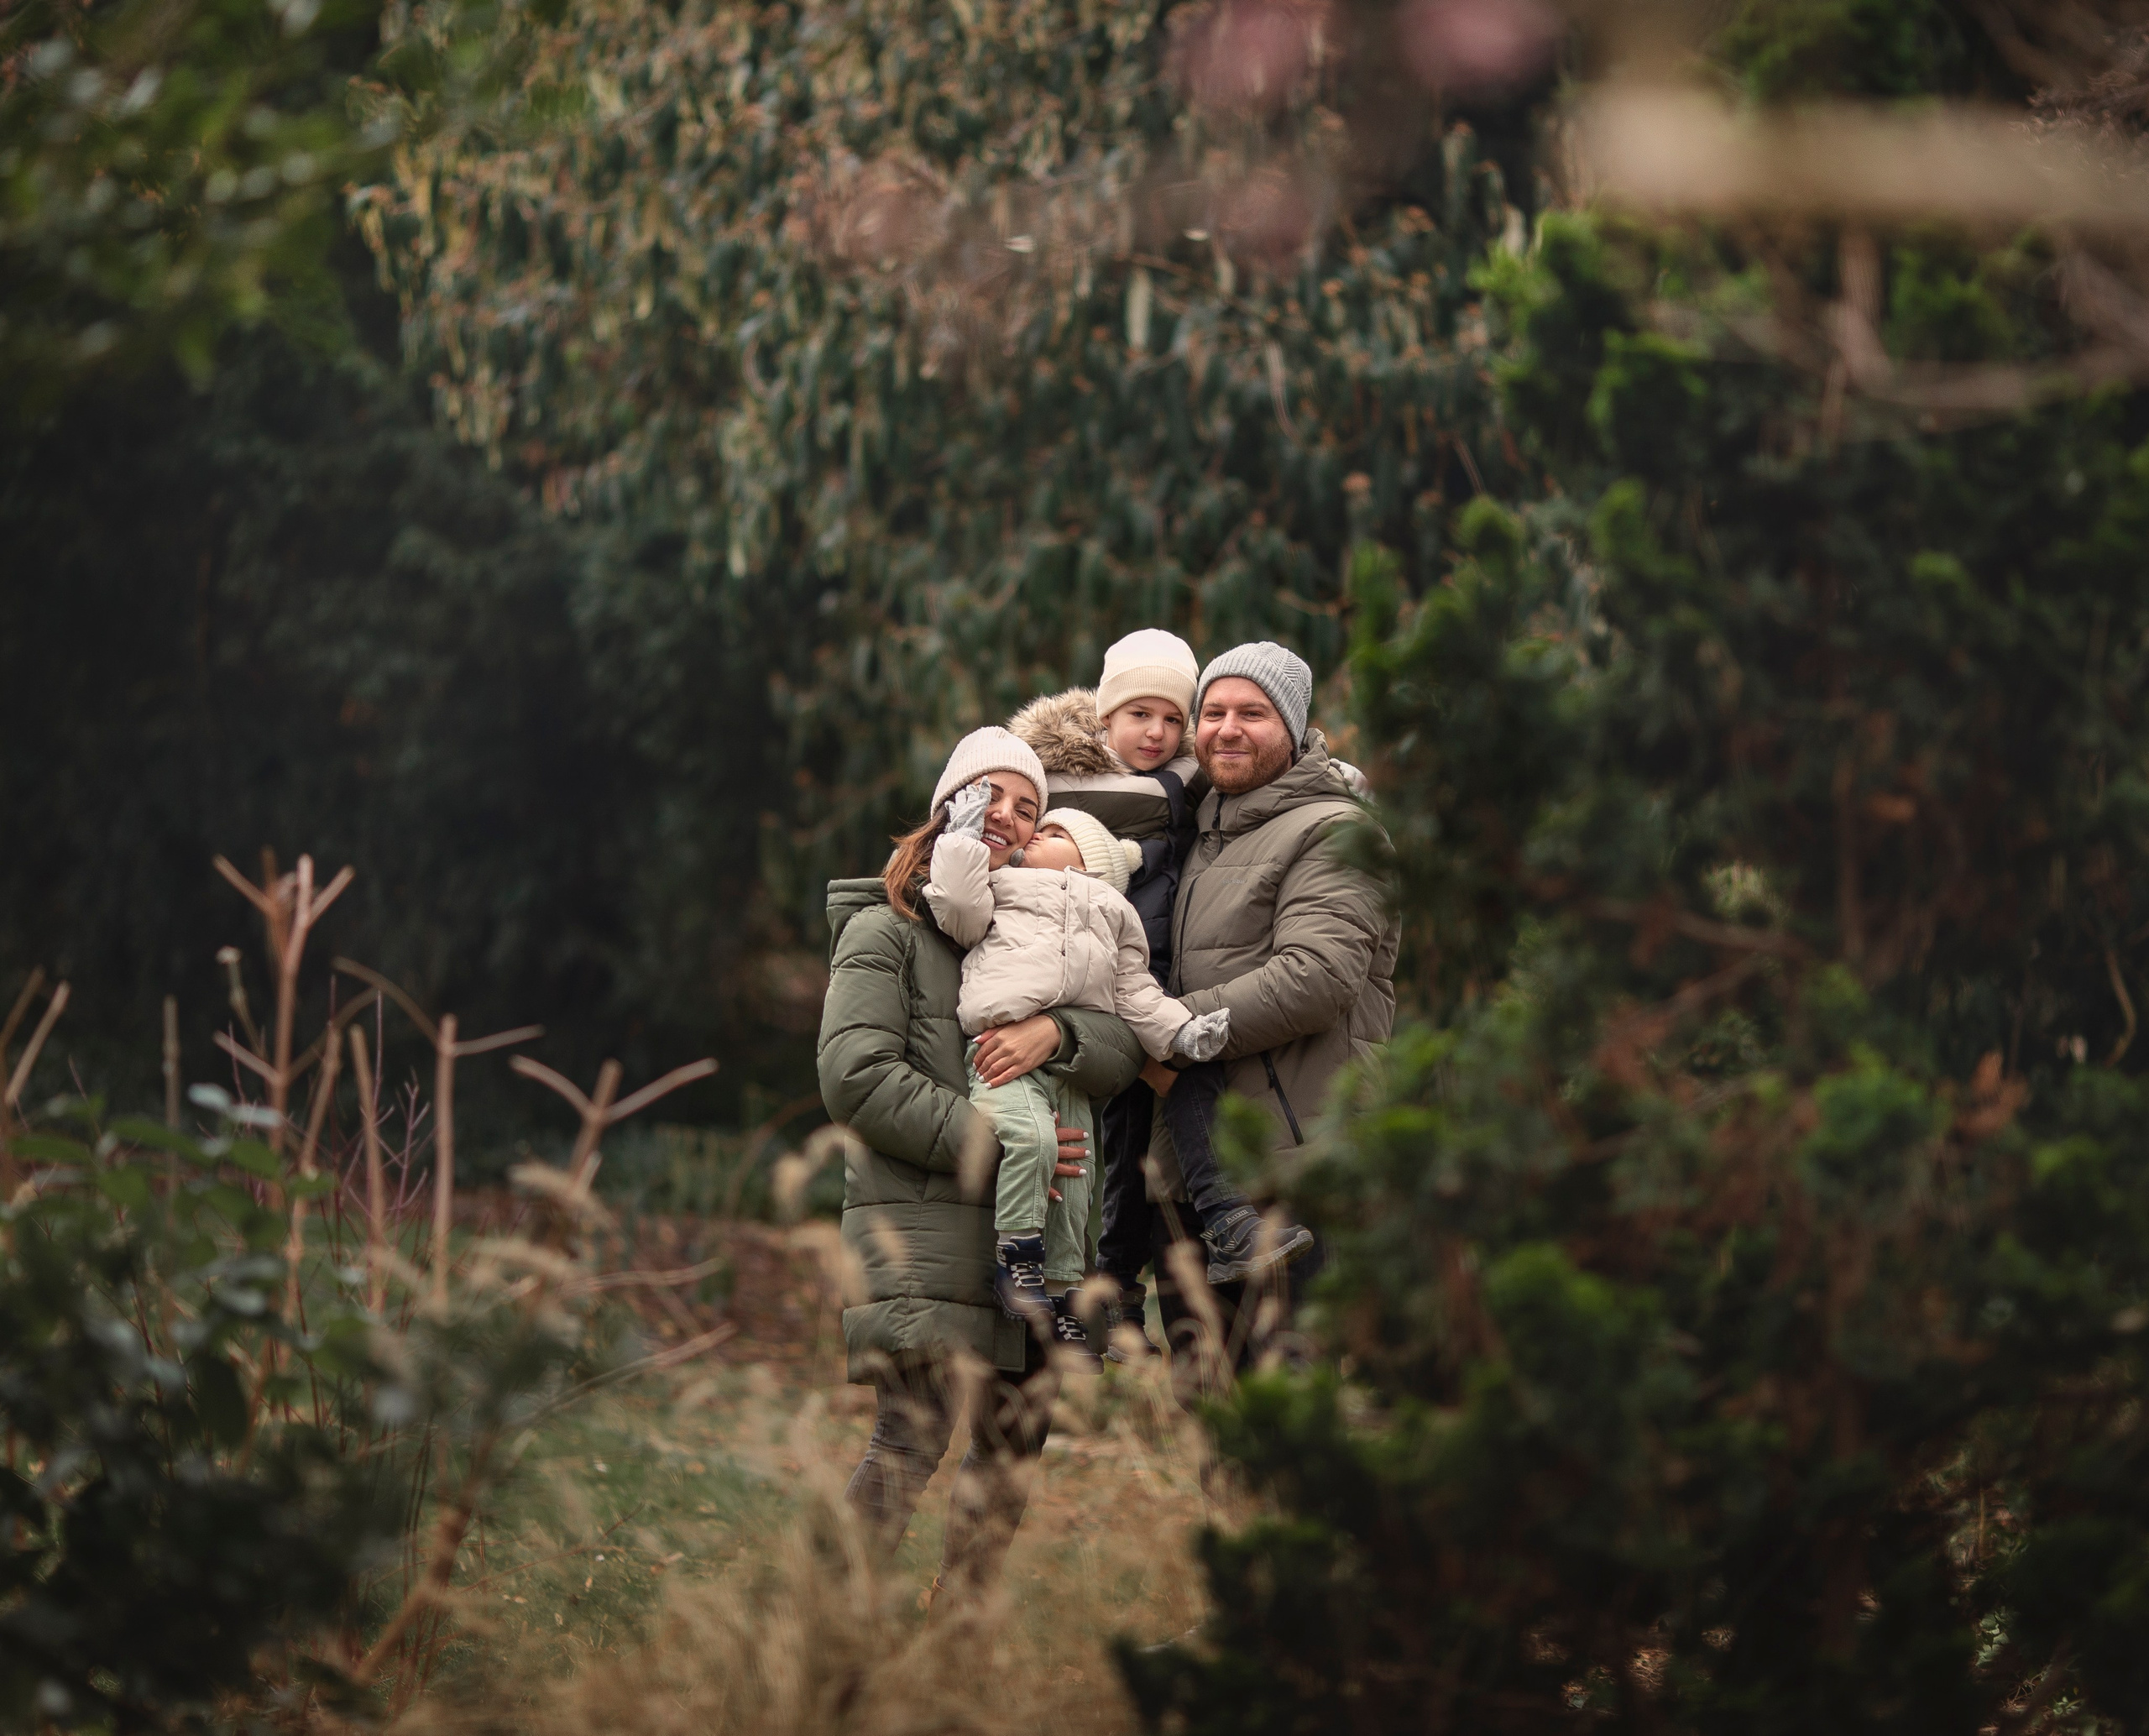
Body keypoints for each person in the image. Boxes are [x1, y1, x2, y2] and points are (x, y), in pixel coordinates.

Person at [818, 726, 1145, 1599]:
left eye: (1028, 806)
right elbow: (855, 1076)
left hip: (1047, 1245)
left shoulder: (1050, 930)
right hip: (929, 1235)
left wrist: (1063, 1030)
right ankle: (812, 1650)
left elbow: (1122, 1048)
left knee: (1006, 1465)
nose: (1006, 816)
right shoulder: (882, 931)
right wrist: (996, 1146)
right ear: (944, 808)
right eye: (989, 795)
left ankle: (953, 1665)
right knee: (907, 1445)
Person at [1141, 641, 1399, 1372]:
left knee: (1299, 1405)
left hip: (1297, 1169)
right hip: (1191, 1178)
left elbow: (1318, 976)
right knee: (1211, 1417)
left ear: (1294, 725)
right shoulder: (1193, 834)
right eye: (1213, 711)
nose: (1227, 728)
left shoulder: (1336, 832)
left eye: (1252, 713)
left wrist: (1167, 1031)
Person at [923, 789, 1229, 1351]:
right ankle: (1015, 1259)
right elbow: (958, 902)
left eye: (1056, 833)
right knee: (1034, 1141)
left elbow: (1136, 993)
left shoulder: (1116, 913)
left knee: (1077, 1177)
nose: (1035, 832)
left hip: (1070, 1071)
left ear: (1094, 864)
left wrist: (1183, 1030)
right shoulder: (1002, 887)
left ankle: (1064, 1290)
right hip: (1000, 1052)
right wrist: (962, 835)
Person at [1012, 629, 1204, 1353]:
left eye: (1172, 719)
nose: (1156, 733)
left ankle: (1117, 1292)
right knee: (1072, 1147)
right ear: (1103, 716)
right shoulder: (1049, 776)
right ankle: (1068, 1294)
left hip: (1149, 979)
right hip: (1075, 986)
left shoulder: (1189, 778)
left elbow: (1267, 757)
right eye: (1139, 715)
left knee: (1135, 1147)